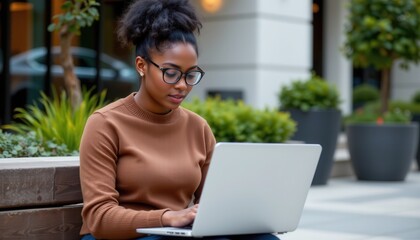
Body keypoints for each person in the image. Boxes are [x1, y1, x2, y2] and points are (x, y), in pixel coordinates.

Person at [79, 0, 279, 239]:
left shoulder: (198, 127)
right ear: (142, 65)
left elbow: (214, 206)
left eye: (191, 74)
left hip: (176, 233)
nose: (183, 85)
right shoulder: (106, 123)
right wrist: (167, 217)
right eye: (171, 73)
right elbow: (100, 218)